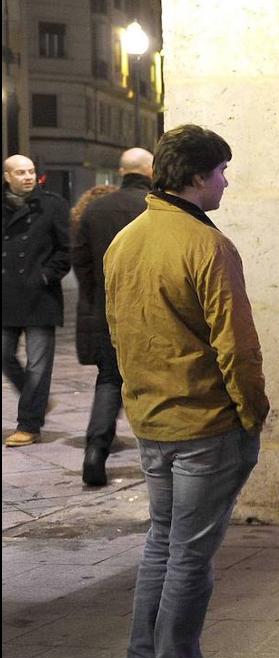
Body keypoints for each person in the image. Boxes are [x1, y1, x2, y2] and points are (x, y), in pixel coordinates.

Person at [106, 124, 268, 658]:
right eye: (222, 170)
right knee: (190, 558)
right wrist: (253, 413)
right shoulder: (208, 246)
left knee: (162, 546)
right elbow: (237, 346)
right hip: (204, 422)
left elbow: (119, 331)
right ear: (198, 177)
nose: (226, 180)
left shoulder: (126, 240)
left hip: (151, 416)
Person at [70, 147, 153, 485]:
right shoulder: (154, 209)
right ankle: (156, 463)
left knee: (109, 379)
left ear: (121, 172)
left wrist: (95, 295)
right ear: (149, 170)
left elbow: (81, 260)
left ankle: (95, 452)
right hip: (150, 311)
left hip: (109, 310)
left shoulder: (96, 209)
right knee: (155, 384)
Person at [2, 154, 70, 448]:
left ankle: (29, 424)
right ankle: (36, 403)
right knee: (3, 354)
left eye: (31, 171)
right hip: (5, 294)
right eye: (21, 172)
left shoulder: (52, 204)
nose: (28, 176)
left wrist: (46, 275)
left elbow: (66, 249)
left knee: (38, 366)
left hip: (40, 296)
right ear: (7, 177)